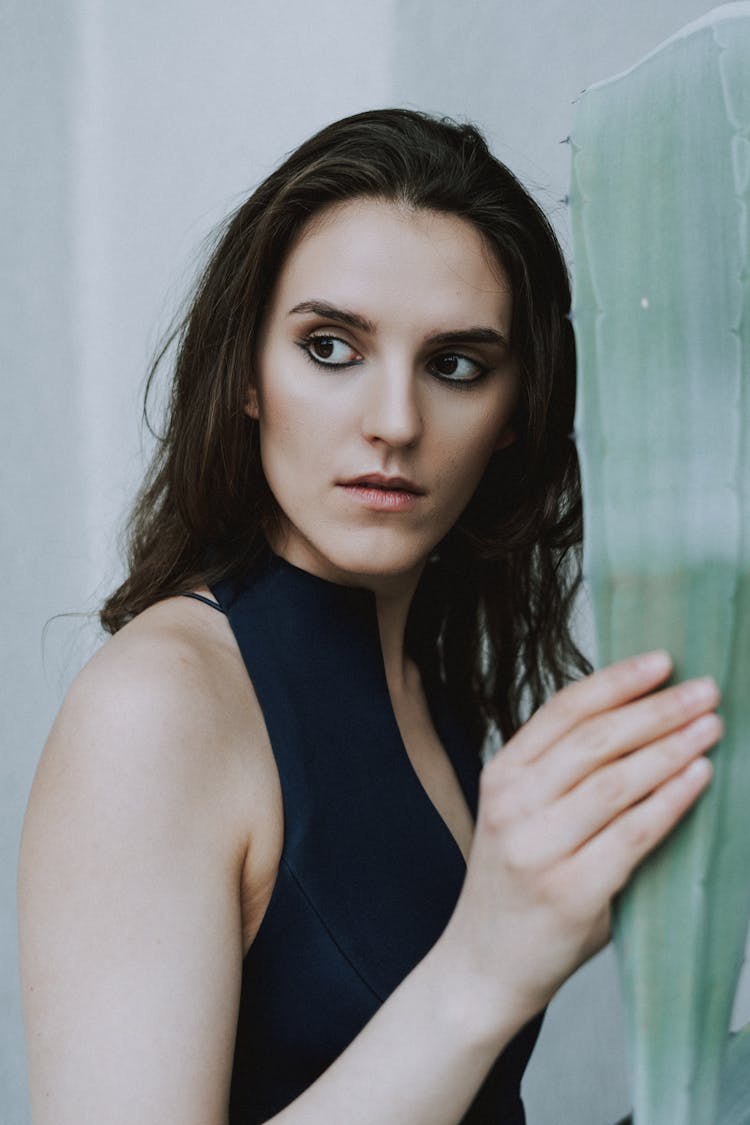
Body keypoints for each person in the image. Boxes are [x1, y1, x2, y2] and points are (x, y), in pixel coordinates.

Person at [18, 109, 721, 1125]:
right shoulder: (156, 707)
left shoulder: (431, 682)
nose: (395, 422)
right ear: (248, 376)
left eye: (458, 366)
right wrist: (488, 967)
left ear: (517, 415)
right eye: (332, 346)